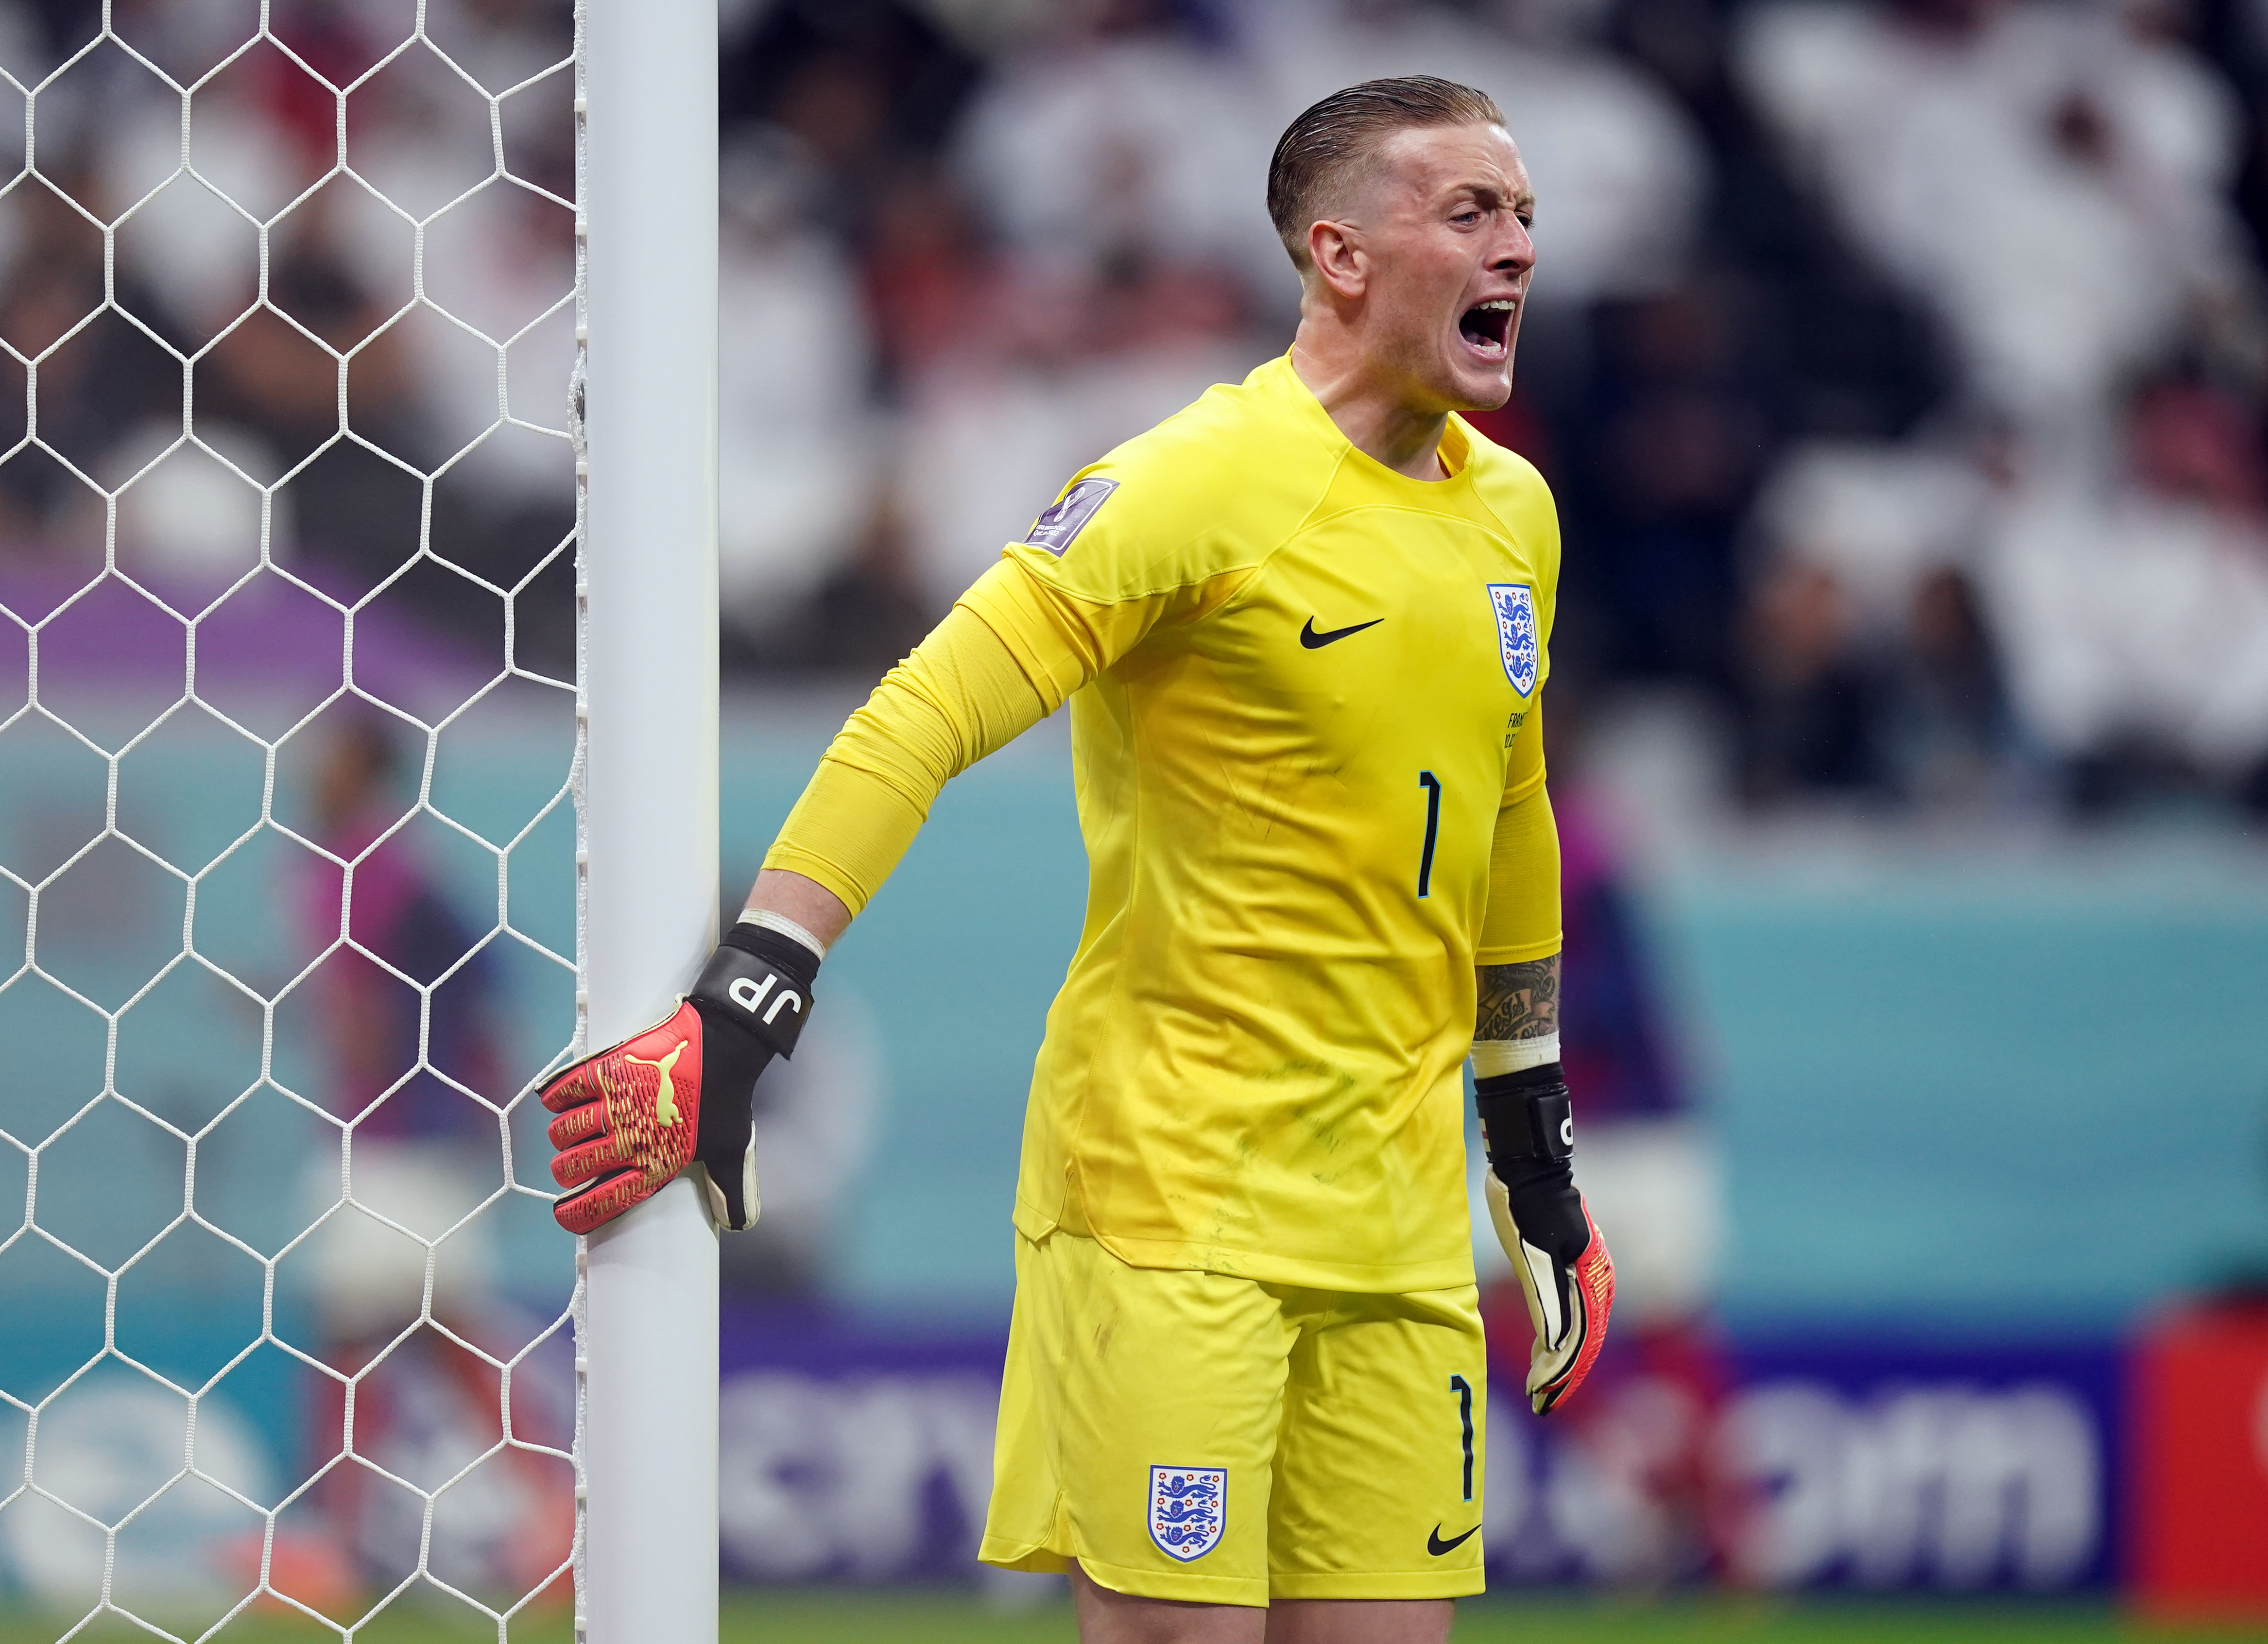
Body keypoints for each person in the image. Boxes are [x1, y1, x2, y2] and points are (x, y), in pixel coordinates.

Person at [542, 77, 1614, 1642]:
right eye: (1470, 212)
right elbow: (924, 709)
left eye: (1522, 215)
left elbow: (1510, 814)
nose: (1516, 246)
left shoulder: (1514, 514)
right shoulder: (1195, 479)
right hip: (1172, 1193)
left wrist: (1529, 1143)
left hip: (1393, 1216)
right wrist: (752, 995)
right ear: (1339, 254)